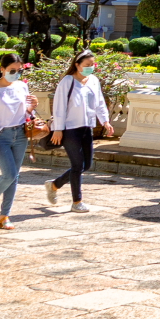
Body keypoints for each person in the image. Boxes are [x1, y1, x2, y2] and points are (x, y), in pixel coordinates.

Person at [45, 50, 113, 212]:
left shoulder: (93, 81)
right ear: (77, 65)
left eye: (92, 65)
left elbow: (99, 103)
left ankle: (54, 185)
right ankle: (77, 202)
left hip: (86, 127)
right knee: (77, 165)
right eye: (87, 65)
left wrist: (105, 121)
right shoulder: (68, 81)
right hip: (69, 129)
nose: (90, 68)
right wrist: (59, 129)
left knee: (86, 165)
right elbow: (59, 106)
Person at [0, 53, 37, 229]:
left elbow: (25, 113)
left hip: (20, 134)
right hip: (0, 136)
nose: (16, 74)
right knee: (9, 174)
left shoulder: (21, 86)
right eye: (12, 70)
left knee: (15, 176)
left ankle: (4, 215)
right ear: (2, 69)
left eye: (19, 70)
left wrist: (32, 107)